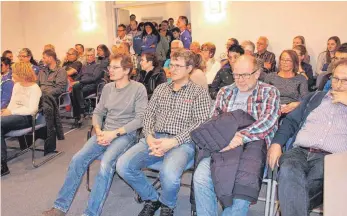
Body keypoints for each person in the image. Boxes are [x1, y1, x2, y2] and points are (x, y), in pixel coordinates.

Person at [41, 53, 148, 216]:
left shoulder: (138, 89)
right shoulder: (107, 88)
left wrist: (114, 134)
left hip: (126, 135)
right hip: (104, 133)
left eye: (115, 67)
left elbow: (141, 119)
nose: (110, 70)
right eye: (109, 67)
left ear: (127, 70)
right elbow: (98, 112)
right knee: (77, 159)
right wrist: (98, 129)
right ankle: (60, 207)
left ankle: (91, 213)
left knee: (105, 164)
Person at [116, 49, 211, 216]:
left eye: (178, 66)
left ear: (189, 68)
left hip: (182, 143)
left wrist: (173, 142)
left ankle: (168, 205)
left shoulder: (199, 93)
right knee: (123, 165)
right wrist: (149, 136)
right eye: (171, 65)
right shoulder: (161, 89)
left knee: (169, 174)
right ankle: (152, 198)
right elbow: (148, 116)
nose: (172, 69)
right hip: (155, 138)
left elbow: (200, 124)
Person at [194, 55, 281, 216]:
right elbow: (214, 121)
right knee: (200, 178)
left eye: (245, 75)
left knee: (241, 191)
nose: (240, 80)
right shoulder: (225, 92)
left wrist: (240, 137)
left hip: (254, 147)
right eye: (236, 74)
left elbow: (268, 122)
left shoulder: (269, 92)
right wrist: (226, 139)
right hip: (224, 144)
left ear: (257, 73)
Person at [267, 58, 347, 216]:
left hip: (331, 159)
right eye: (335, 78)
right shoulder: (315, 98)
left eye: (345, 80)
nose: (338, 84)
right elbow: (290, 121)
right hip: (299, 152)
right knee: (288, 170)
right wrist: (276, 144)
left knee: (305, 186)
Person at [1, 62, 42, 176]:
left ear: (22, 74)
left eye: (14, 72)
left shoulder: (35, 88)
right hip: (13, 115)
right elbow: (13, 103)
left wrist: (11, 112)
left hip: (26, 118)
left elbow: (32, 110)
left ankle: (2, 165)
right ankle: (2, 164)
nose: (11, 74)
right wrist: (6, 112)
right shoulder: (17, 85)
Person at [264, 50, 308, 115]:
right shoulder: (270, 77)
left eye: (288, 60)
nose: (284, 62)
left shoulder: (301, 79)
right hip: (272, 107)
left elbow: (306, 99)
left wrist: (296, 104)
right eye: (282, 59)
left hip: (292, 109)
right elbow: (263, 95)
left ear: (294, 62)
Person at [70, 48, 105, 127]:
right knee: (73, 91)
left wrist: (79, 82)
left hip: (92, 86)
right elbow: (78, 76)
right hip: (81, 85)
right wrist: (73, 81)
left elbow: (94, 78)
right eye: (87, 55)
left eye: (90, 55)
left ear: (94, 56)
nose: (89, 57)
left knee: (75, 91)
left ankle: (78, 116)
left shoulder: (98, 66)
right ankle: (81, 111)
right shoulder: (84, 66)